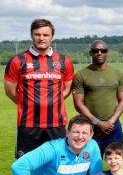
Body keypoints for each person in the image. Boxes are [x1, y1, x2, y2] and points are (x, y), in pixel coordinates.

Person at [5, 19, 75, 159]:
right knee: (27, 165)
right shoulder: (18, 60)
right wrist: (27, 104)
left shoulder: (63, 61)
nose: (41, 38)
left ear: (52, 37)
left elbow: (66, 89)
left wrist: (53, 102)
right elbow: (10, 91)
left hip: (56, 123)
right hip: (28, 124)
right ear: (31, 35)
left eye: (45, 35)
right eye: (37, 34)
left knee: (58, 163)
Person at [72, 40, 123, 153]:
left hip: (113, 127)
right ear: (90, 53)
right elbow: (78, 104)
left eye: (103, 50)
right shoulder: (81, 75)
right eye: (95, 50)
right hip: (91, 127)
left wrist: (111, 121)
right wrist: (98, 122)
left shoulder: (117, 74)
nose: (99, 53)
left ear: (107, 52)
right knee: (89, 165)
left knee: (116, 163)